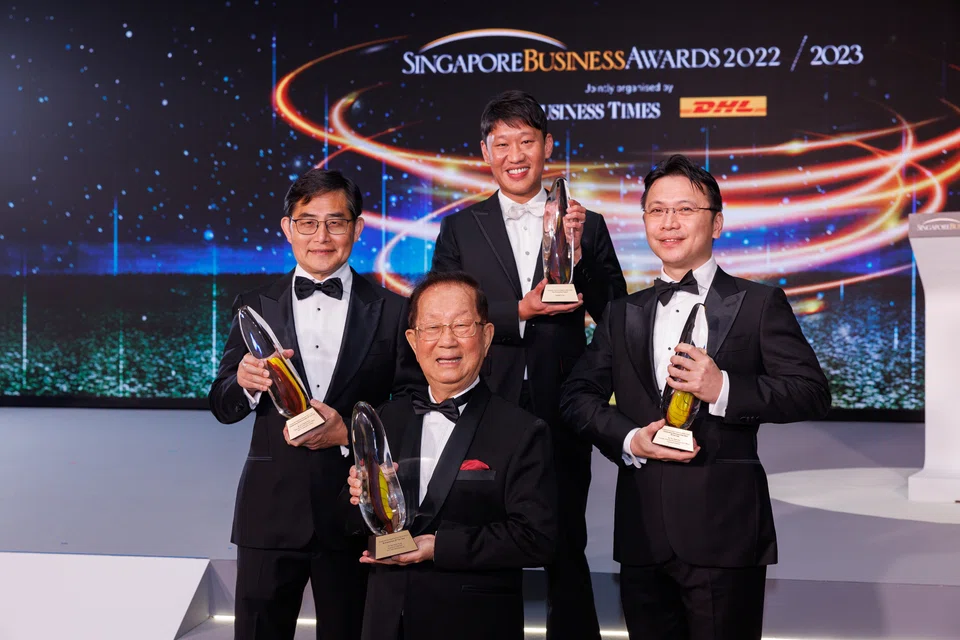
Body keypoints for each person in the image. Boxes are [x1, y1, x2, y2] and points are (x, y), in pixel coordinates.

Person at [560, 154, 831, 640]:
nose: (669, 223)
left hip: (725, 534)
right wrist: (629, 439)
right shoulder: (622, 313)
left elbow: (811, 393)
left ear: (717, 222)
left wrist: (722, 388)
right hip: (642, 535)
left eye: (684, 209)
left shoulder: (759, 303)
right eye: (656, 211)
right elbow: (577, 397)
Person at [431, 89, 626, 640]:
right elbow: (443, 309)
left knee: (565, 539)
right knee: (479, 533)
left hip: (561, 404)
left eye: (527, 141)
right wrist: (518, 311)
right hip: (479, 403)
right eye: (503, 143)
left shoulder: (585, 224)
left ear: (547, 148)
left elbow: (613, 312)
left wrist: (580, 260)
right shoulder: (460, 229)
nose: (516, 154)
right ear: (486, 153)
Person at [209, 169, 422, 640]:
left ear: (358, 228)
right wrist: (244, 383)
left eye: (335, 223)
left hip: (357, 513)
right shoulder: (254, 304)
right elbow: (221, 404)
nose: (320, 237)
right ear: (287, 229)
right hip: (269, 511)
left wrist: (349, 430)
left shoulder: (393, 310)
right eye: (307, 223)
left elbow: (414, 403)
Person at [347, 270, 557, 640]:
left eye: (462, 326)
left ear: (487, 335)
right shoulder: (386, 420)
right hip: (385, 620)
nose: (447, 341)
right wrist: (358, 499)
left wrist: (438, 547)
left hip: (473, 622)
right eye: (432, 327)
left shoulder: (522, 430)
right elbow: (352, 525)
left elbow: (537, 538)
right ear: (413, 340)